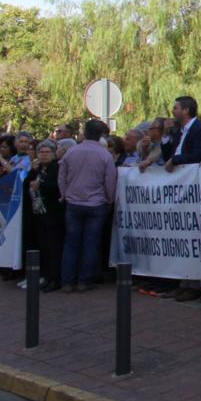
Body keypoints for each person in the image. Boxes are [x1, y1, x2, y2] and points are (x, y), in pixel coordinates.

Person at [57, 119, 116, 293]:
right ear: (101, 135)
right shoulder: (105, 155)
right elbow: (110, 180)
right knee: (91, 243)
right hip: (96, 203)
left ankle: (67, 281)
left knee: (71, 243)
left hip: (73, 202)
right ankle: (85, 280)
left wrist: (64, 194)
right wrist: (109, 199)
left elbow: (62, 176)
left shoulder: (72, 152)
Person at [29, 140, 66, 292]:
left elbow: (58, 187)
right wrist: (33, 171)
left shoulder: (57, 168)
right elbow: (29, 183)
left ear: (53, 154)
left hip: (54, 212)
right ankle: (47, 276)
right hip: (40, 212)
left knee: (54, 247)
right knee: (44, 246)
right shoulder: (38, 169)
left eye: (47, 152)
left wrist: (42, 186)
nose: (43, 155)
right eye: (41, 152)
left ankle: (55, 278)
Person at [158, 96, 201, 172]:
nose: (172, 111)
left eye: (175, 108)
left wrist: (174, 160)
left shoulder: (199, 129)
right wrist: (166, 135)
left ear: (186, 110)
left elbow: (198, 156)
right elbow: (167, 157)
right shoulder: (179, 131)